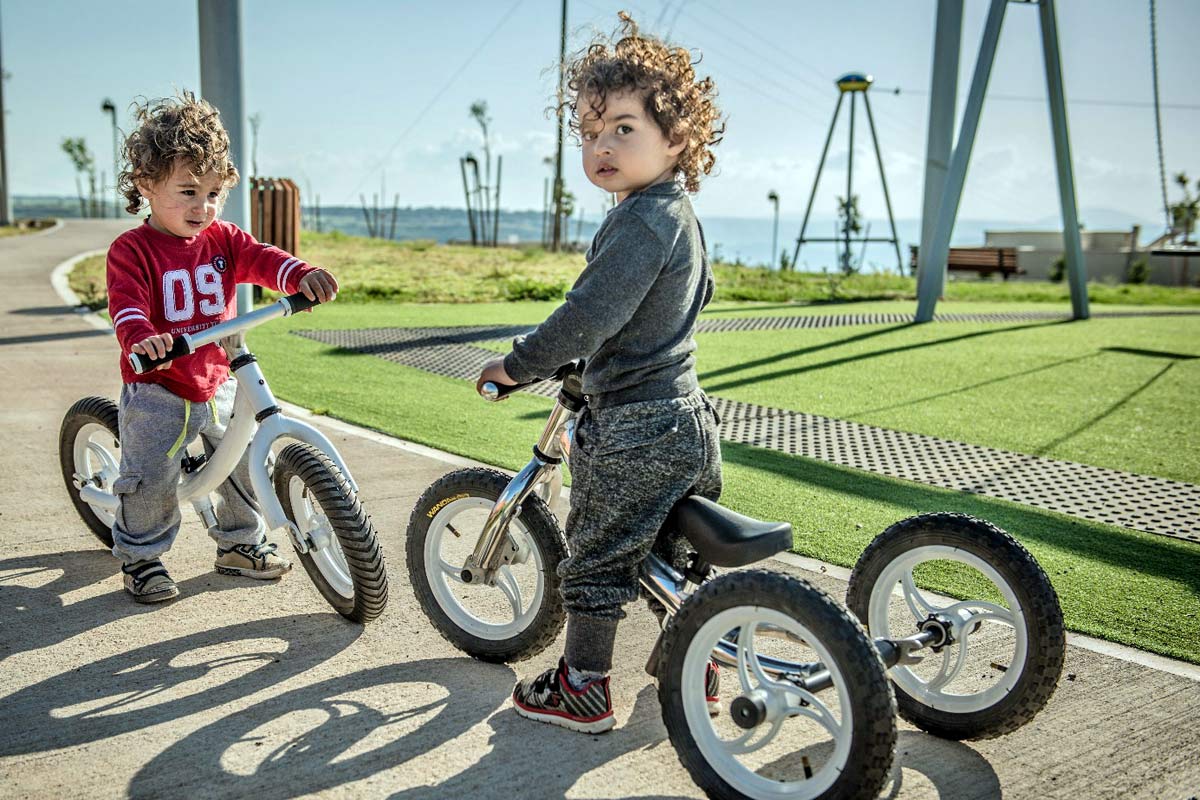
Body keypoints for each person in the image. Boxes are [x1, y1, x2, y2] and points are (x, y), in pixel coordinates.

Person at [476, 13, 725, 733]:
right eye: (589, 133)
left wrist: (520, 364)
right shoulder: (679, 216)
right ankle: (697, 663)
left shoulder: (641, 221)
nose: (601, 146)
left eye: (622, 127)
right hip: (687, 416)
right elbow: (687, 299)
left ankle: (582, 686)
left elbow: (589, 313)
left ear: (676, 138)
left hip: (634, 426)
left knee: (596, 559)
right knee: (673, 561)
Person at [105, 92, 338, 603]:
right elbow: (126, 307)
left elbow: (260, 257)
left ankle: (238, 544)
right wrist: (145, 339)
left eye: (213, 193)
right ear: (146, 183)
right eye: (188, 191)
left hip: (216, 372)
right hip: (159, 383)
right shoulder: (133, 250)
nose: (203, 207)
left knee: (240, 456)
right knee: (150, 478)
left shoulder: (223, 238)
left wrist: (301, 274)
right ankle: (141, 557)